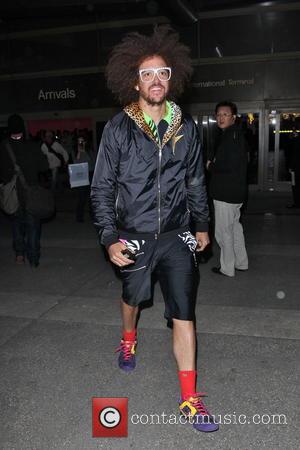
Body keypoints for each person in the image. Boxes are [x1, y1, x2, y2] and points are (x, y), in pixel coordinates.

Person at [91, 26, 219, 433]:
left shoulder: (186, 127)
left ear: (172, 76)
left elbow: (196, 180)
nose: (156, 80)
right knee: (133, 297)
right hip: (134, 233)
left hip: (177, 234)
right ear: (135, 81)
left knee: (184, 312)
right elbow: (102, 188)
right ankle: (128, 338)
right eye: (147, 74)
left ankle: (189, 399)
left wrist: (201, 225)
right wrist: (109, 237)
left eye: (162, 72)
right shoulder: (119, 128)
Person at [0, 114, 49, 266]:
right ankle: (33, 258)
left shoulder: (3, 147)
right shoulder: (32, 146)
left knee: (16, 225)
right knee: (33, 226)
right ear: (23, 128)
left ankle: (19, 255)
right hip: (30, 193)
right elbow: (44, 167)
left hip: (13, 194)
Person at [208, 101, 248, 277]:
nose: (221, 117)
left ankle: (227, 268)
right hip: (236, 192)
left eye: (225, 114)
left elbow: (229, 165)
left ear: (233, 117)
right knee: (235, 229)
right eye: (218, 114)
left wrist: (210, 166)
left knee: (223, 233)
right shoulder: (236, 135)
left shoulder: (230, 137)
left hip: (226, 193)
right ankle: (241, 263)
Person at [72, 135, 95, 222]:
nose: (80, 143)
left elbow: (92, 162)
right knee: (81, 197)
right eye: (79, 141)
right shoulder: (75, 151)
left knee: (91, 197)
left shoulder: (90, 151)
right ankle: (79, 217)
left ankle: (93, 215)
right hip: (81, 175)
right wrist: (79, 153)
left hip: (90, 174)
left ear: (86, 142)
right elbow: (75, 163)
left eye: (82, 141)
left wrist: (84, 151)